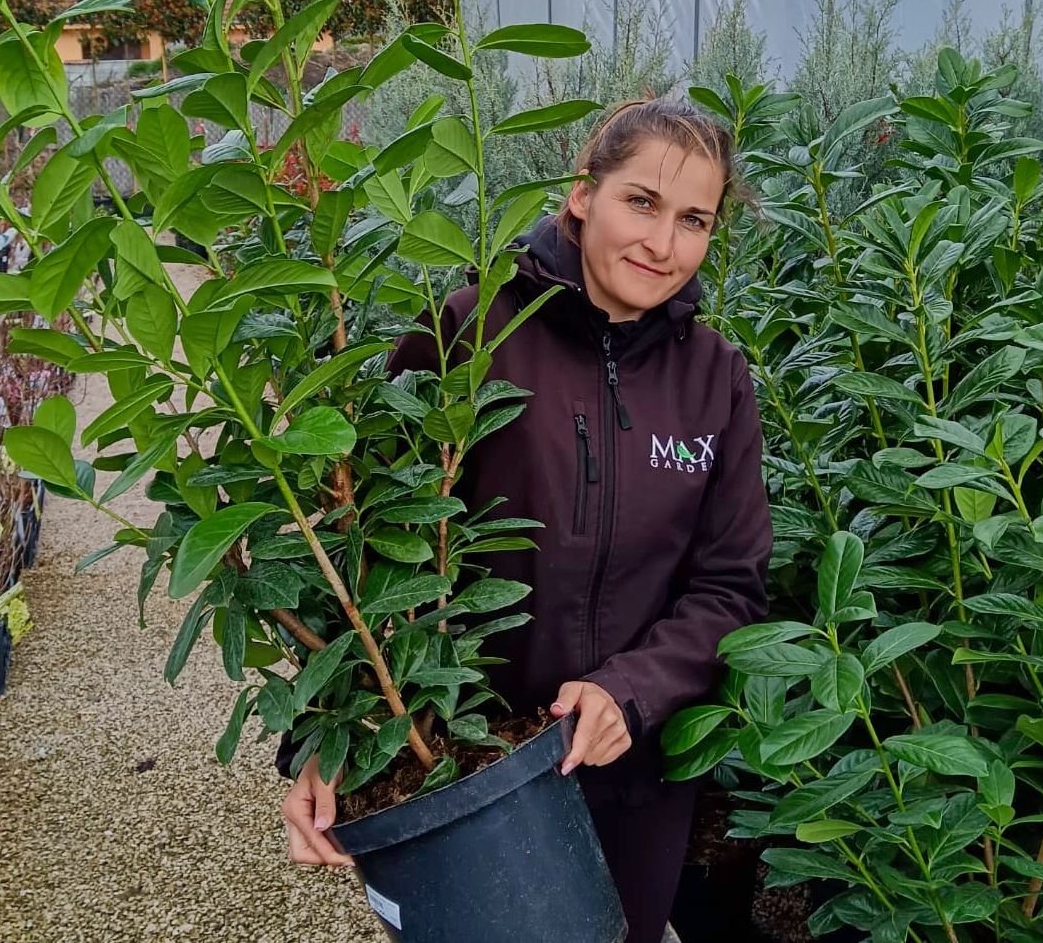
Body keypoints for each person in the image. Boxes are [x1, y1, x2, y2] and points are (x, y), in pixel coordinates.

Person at [282, 94, 773, 943]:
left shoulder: (713, 378)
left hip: (633, 767)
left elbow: (729, 585)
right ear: (582, 194)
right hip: (461, 764)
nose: (662, 244)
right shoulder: (468, 331)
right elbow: (358, 547)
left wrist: (631, 689)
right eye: (641, 201)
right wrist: (322, 737)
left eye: (693, 220)